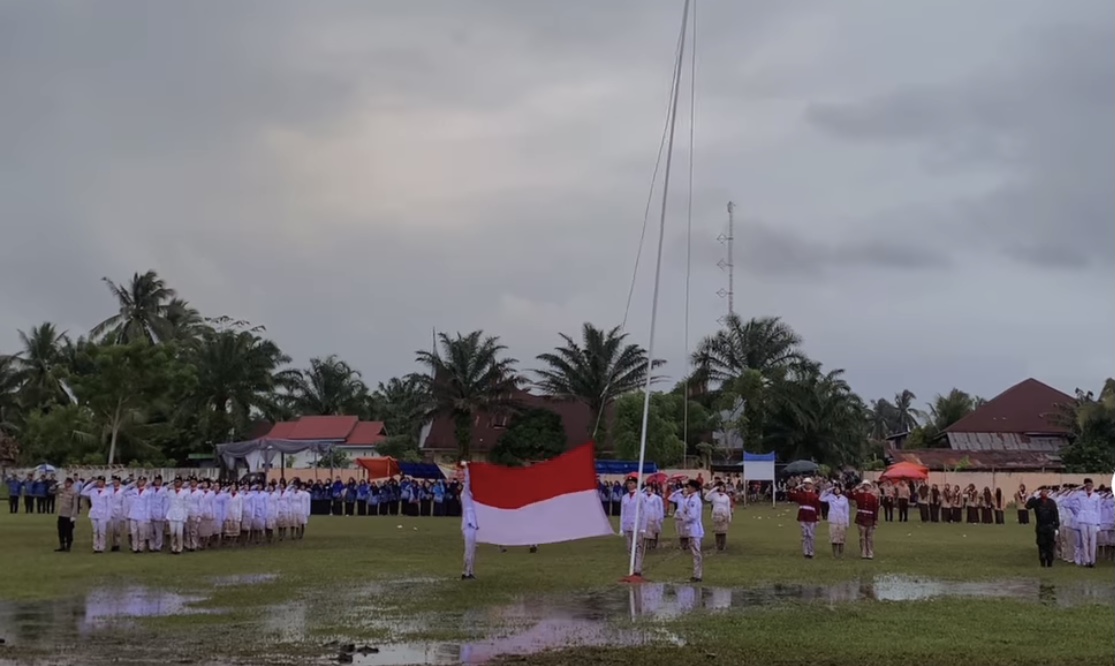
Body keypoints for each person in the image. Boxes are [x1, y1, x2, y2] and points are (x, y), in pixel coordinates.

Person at [1065, 478, 1102, 568]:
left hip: (1093, 520)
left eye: (1090, 485)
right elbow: (1068, 501)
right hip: (1083, 519)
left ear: (1093, 486)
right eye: (1087, 485)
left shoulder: (1096, 496)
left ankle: (1092, 561)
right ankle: (1087, 561)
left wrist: (1098, 524)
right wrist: (1077, 489)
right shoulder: (1080, 494)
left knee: (1093, 541)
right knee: (1084, 541)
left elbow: (1099, 510)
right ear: (1085, 486)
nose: (1089, 487)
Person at [676, 479, 704, 582]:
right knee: (693, 551)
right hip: (689, 528)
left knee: (696, 552)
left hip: (694, 528)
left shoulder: (694, 500)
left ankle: (698, 575)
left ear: (693, 488)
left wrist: (683, 516)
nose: (687, 489)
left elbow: (692, 516)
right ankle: (696, 573)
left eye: (688, 487)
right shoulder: (689, 498)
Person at [619, 478, 648, 576]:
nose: (629, 485)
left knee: (638, 547)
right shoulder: (625, 497)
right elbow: (622, 513)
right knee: (630, 548)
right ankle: (633, 565)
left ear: (636, 484)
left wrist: (643, 527)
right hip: (627, 525)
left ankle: (637, 569)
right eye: (628, 483)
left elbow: (644, 512)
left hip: (637, 526)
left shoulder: (641, 496)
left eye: (631, 483)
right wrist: (621, 528)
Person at [1026, 487, 1060, 567]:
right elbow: (1027, 506)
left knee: (1050, 545)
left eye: (1045, 491)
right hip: (1041, 526)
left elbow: (1056, 514)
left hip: (1050, 526)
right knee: (1041, 544)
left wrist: (1056, 526)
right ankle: (1042, 561)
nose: (1044, 493)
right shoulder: (1037, 502)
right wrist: (1033, 497)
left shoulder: (1051, 502)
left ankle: (1050, 562)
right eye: (1042, 492)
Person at [789, 478, 822, 559]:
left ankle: (811, 552)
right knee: (805, 535)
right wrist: (797, 487)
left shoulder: (815, 495)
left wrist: (817, 517)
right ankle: (805, 551)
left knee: (811, 535)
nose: (807, 485)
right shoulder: (800, 494)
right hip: (803, 516)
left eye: (808, 484)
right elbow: (791, 495)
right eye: (805, 484)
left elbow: (817, 508)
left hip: (812, 517)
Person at [80, 477, 112, 553]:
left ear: (104, 483)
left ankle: (101, 547)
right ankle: (95, 547)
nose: (99, 483)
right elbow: (83, 492)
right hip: (94, 513)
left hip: (103, 514)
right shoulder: (93, 491)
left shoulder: (107, 492)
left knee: (102, 532)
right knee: (95, 531)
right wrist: (92, 483)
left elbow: (109, 505)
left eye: (101, 481)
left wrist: (108, 516)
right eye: (98, 481)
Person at [850, 481, 880, 560]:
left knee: (869, 537)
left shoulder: (873, 497)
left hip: (869, 518)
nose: (866, 487)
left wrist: (875, 520)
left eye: (867, 485)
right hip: (860, 518)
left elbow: (875, 509)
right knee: (862, 537)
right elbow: (850, 495)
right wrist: (857, 488)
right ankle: (863, 551)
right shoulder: (859, 495)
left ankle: (870, 552)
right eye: (864, 485)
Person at [819, 483, 850, 558]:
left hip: (841, 519)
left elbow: (846, 511)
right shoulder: (830, 497)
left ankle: (841, 554)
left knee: (841, 538)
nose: (837, 490)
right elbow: (821, 498)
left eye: (838, 489)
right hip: (833, 519)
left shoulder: (844, 499)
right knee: (834, 537)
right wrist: (829, 489)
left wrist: (847, 522)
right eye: (835, 489)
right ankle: (834, 553)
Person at [123, 477, 153, 553]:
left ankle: (141, 547)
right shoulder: (133, 491)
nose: (140, 482)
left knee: (141, 533)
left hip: (142, 515)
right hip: (133, 514)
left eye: (142, 481)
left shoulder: (148, 493)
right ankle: (135, 548)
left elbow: (148, 506)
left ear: (145, 482)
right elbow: (123, 491)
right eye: (139, 481)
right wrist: (132, 484)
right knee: (134, 533)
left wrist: (147, 517)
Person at [460, 463, 478, 580]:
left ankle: (470, 571)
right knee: (469, 550)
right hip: (468, 523)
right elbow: (467, 483)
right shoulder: (465, 493)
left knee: (473, 549)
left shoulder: (472, 495)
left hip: (473, 524)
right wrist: (467, 469)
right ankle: (465, 572)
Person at [165, 477, 190, 555]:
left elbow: (186, 506)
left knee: (179, 533)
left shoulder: (185, 492)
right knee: (172, 533)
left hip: (180, 515)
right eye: (175, 482)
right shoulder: (170, 492)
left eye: (178, 482)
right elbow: (165, 488)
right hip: (171, 514)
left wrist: (185, 517)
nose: (177, 483)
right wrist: (172, 483)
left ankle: (179, 548)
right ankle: (173, 547)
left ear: (181, 483)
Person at [55, 477, 80, 552]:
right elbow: (50, 491)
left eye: (67, 483)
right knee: (61, 531)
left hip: (69, 515)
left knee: (68, 531)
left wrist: (73, 516)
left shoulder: (74, 492)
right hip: (61, 513)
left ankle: (68, 546)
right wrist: (55, 485)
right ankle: (62, 545)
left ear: (71, 483)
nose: (65, 484)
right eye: (65, 482)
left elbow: (75, 505)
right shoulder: (62, 490)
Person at [707, 482, 733, 552]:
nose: (721, 488)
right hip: (716, 514)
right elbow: (706, 497)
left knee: (723, 531)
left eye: (722, 487)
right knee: (717, 531)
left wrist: (729, 516)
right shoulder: (714, 495)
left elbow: (728, 507)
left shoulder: (726, 497)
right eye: (720, 487)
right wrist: (714, 489)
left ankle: (723, 545)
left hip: (724, 514)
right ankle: (718, 545)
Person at [150, 476, 167, 553]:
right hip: (151, 512)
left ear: (161, 481)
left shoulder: (164, 490)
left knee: (159, 531)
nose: (157, 482)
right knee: (151, 531)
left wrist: (164, 514)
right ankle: (151, 546)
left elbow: (166, 503)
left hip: (160, 512)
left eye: (158, 480)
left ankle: (158, 546)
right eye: (156, 480)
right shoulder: (151, 489)